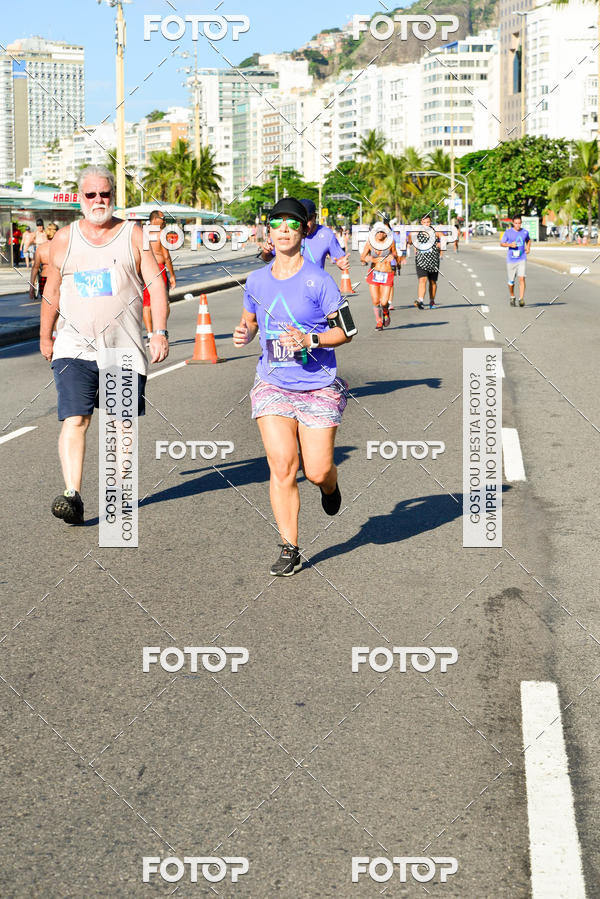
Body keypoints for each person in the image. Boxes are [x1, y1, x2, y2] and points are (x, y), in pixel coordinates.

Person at [40, 165, 169, 525]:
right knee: (75, 418)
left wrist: (159, 331)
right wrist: (45, 335)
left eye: (105, 194)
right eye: (91, 194)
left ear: (113, 195)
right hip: (74, 347)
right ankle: (72, 494)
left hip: (123, 348)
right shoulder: (64, 239)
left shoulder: (134, 235)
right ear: (80, 198)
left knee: (120, 424)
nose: (98, 200)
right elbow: (52, 291)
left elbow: (156, 285)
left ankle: (118, 493)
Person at [233, 197, 354, 577]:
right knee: (283, 466)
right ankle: (290, 547)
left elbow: (348, 329)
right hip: (273, 383)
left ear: (304, 231)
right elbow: (250, 321)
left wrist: (311, 340)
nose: (283, 229)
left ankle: (329, 487)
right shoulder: (256, 280)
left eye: (292, 223)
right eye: (276, 223)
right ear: (268, 230)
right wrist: (244, 332)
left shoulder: (319, 280)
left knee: (316, 471)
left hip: (318, 385)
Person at [260, 198, 349, 273]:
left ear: (315, 217)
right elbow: (266, 258)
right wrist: (266, 252)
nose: (305, 223)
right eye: (300, 219)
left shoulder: (326, 234)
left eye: (308, 219)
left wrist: (341, 263)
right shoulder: (286, 232)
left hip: (314, 285)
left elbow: (339, 258)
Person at [142, 209, 176, 342]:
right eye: (163, 218)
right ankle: (159, 329)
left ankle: (150, 334)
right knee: (164, 302)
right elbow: (166, 256)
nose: (164, 221)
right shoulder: (161, 234)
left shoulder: (142, 234)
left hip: (145, 269)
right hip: (159, 269)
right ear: (155, 219)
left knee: (147, 304)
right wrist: (172, 275)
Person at [360, 219, 399, 329]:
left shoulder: (390, 242)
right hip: (374, 273)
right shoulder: (370, 243)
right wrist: (369, 259)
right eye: (378, 231)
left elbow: (395, 253)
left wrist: (393, 257)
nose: (380, 234)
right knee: (376, 300)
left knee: (384, 302)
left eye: (382, 231)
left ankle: (386, 312)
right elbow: (362, 257)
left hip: (387, 273)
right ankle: (379, 321)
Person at [408, 213, 444, 309]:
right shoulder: (417, 231)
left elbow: (444, 239)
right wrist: (411, 236)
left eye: (428, 222)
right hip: (421, 260)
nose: (426, 224)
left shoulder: (435, 231)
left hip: (433, 261)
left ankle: (432, 301)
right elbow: (410, 242)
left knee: (433, 282)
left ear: (430, 222)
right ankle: (420, 300)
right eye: (425, 222)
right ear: (421, 222)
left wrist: (440, 244)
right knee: (422, 280)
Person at [500, 213, 530, 307]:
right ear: (513, 223)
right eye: (516, 223)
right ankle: (512, 296)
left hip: (522, 258)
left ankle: (521, 299)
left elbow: (528, 240)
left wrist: (528, 247)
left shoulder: (525, 232)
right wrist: (510, 245)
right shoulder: (508, 232)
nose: (518, 225)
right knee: (511, 281)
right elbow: (502, 243)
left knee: (522, 278)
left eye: (519, 223)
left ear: (521, 223)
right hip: (511, 260)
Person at [29, 222, 58, 300]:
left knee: (46, 304)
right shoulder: (62, 247)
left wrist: (31, 287)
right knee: (59, 304)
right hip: (58, 279)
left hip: (44, 279)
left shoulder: (41, 248)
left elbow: (35, 268)